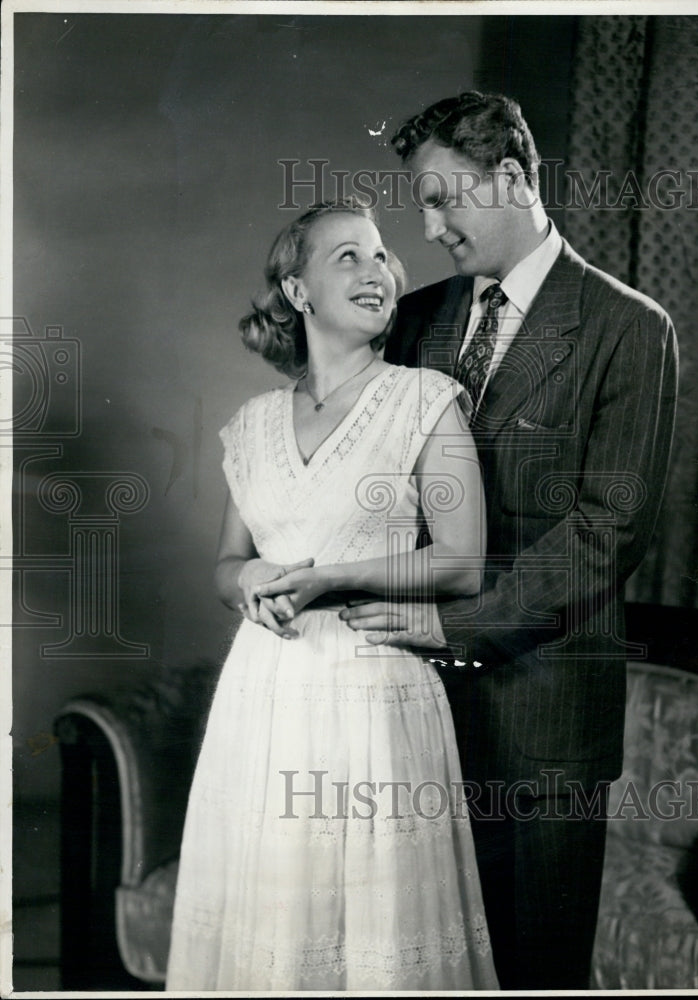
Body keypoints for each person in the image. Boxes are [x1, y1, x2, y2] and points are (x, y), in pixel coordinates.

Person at [341, 92, 679, 989]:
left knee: (535, 973)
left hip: (547, 730)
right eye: (421, 203)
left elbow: (609, 532)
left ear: (514, 177)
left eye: (445, 196)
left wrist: (451, 626)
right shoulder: (413, 320)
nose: (431, 223)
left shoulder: (630, 329)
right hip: (410, 718)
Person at [165, 198, 499, 991]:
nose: (376, 271)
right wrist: (245, 579)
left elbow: (462, 563)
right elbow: (226, 564)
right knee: (271, 925)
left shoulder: (426, 400)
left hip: (376, 695)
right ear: (297, 292)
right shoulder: (250, 425)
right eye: (347, 256)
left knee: (376, 935)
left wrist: (333, 575)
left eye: (381, 255)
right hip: (265, 696)